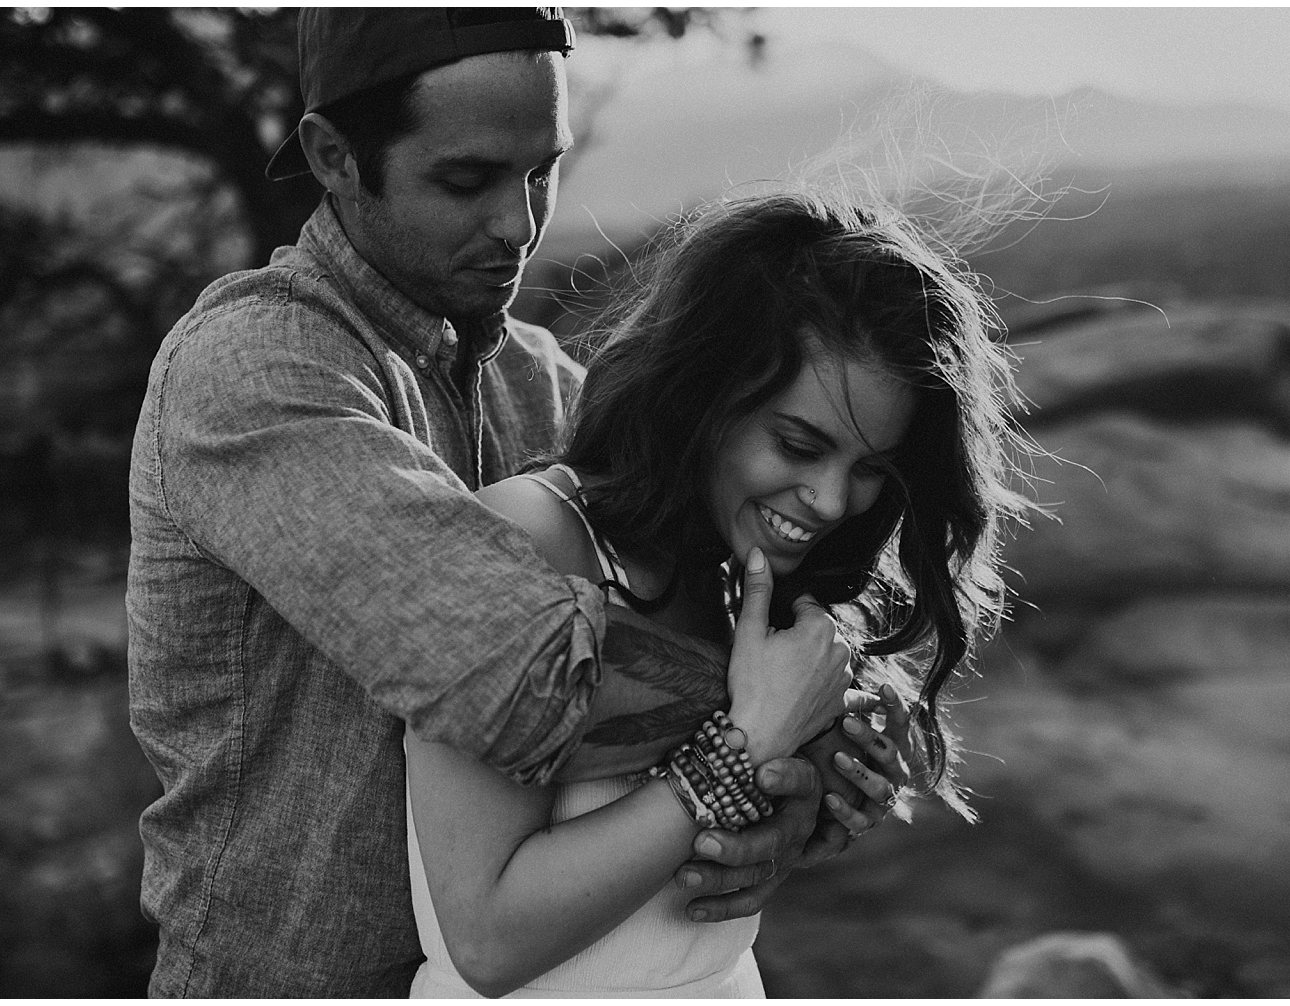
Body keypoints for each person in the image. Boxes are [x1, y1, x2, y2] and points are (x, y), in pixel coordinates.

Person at [126, 8, 880, 998]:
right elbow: (509, 666)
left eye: (541, 171)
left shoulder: (545, 385)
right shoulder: (252, 373)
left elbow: (728, 629)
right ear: (333, 155)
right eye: (468, 180)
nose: (519, 223)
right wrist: (761, 726)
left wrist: (803, 776)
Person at [401, 187, 1029, 996]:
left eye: (871, 468)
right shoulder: (527, 540)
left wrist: (809, 793)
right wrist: (745, 746)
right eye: (798, 444)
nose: (834, 502)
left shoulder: (739, 577)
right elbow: (487, 939)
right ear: (702, 393)